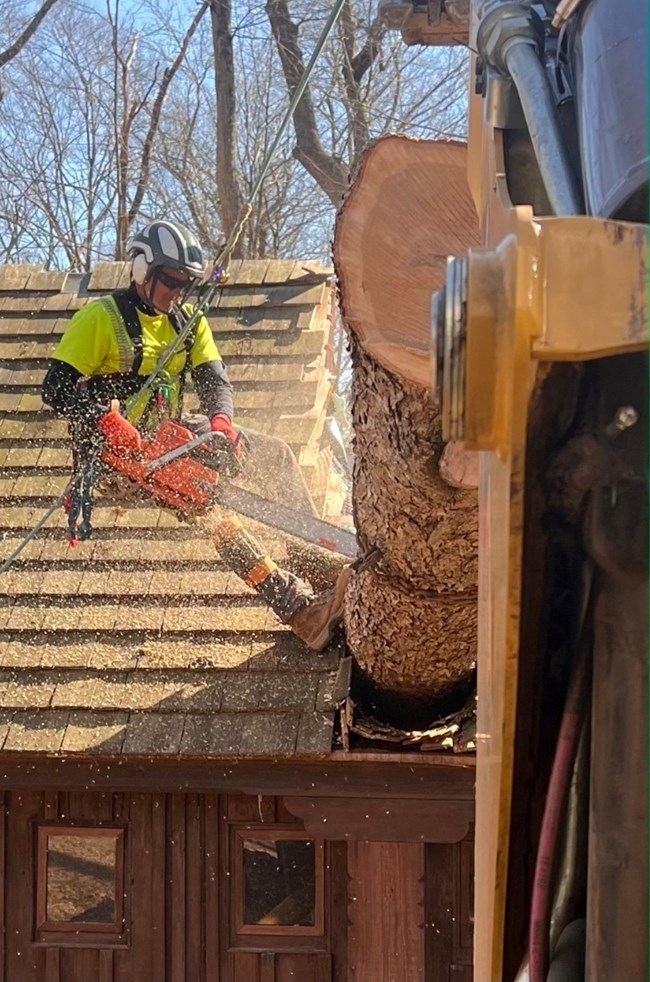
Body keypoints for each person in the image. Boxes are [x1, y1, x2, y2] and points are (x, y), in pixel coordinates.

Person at [42, 219, 349, 650]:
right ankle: (298, 609)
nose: (177, 292)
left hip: (169, 437)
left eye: (185, 284)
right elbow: (54, 387)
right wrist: (106, 421)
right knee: (204, 499)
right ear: (143, 270)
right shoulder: (102, 318)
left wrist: (221, 426)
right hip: (113, 455)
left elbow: (214, 382)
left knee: (274, 453)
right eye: (170, 281)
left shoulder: (187, 322)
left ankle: (309, 555)